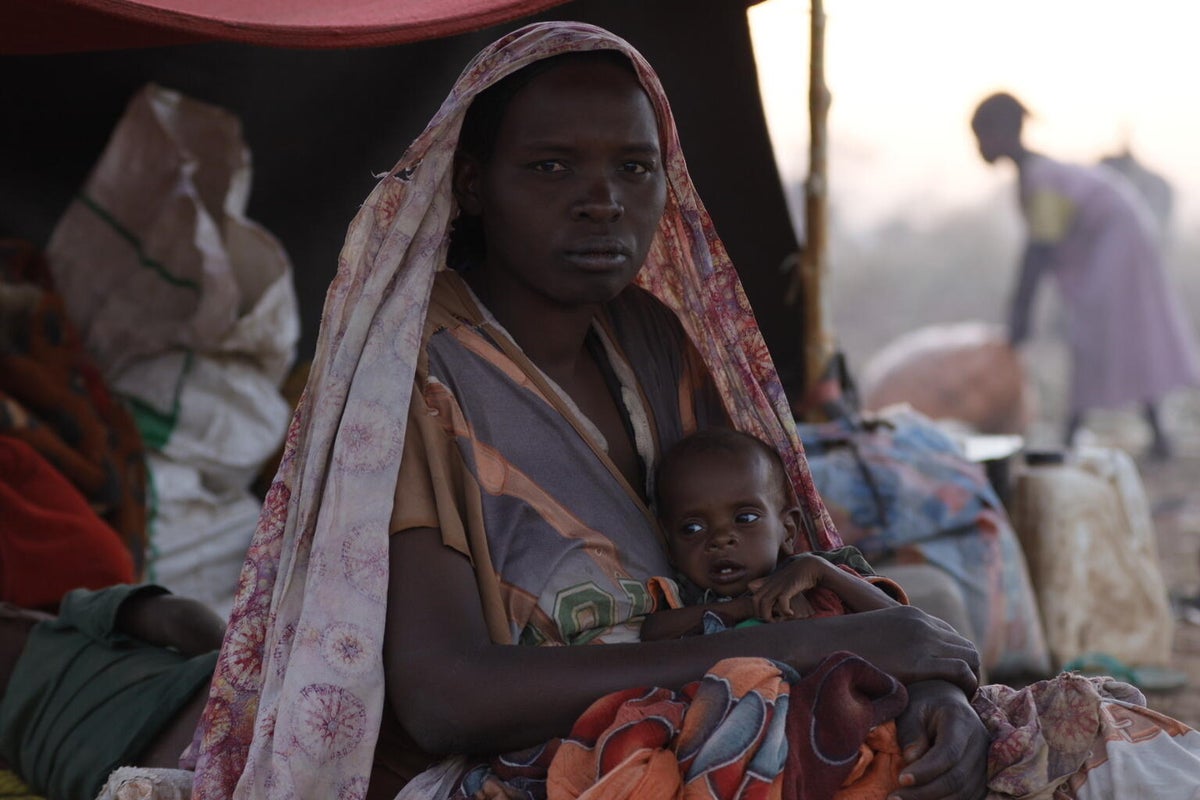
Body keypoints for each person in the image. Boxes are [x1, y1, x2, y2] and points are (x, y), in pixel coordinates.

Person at [190, 26, 1200, 800]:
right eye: (551, 167)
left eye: (633, 168)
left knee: (1104, 742)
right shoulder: (414, 386)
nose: (602, 201)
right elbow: (446, 693)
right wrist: (803, 654)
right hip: (568, 754)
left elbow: (791, 566)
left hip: (724, 690)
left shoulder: (648, 340)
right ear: (470, 185)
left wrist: (935, 688)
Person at [970, 91, 1200, 458]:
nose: (978, 146)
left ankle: (1074, 432)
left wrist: (1020, 315)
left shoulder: (1041, 177)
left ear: (1002, 132)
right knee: (1123, 330)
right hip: (1119, 238)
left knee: (1092, 332)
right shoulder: (1035, 175)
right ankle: (1150, 432)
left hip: (1120, 241)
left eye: (981, 135)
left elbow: (1039, 251)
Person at [641, 427, 902, 641]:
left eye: (745, 518)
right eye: (693, 528)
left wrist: (822, 572)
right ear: (670, 547)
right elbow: (651, 631)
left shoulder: (825, 570)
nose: (721, 539)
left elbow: (905, 623)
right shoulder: (688, 596)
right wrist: (750, 606)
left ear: (788, 529)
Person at [0, 584, 223, 800]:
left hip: (148, 783)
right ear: (11, 613)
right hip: (211, 714)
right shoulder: (73, 617)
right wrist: (236, 667)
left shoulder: (11, 758)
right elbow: (178, 617)